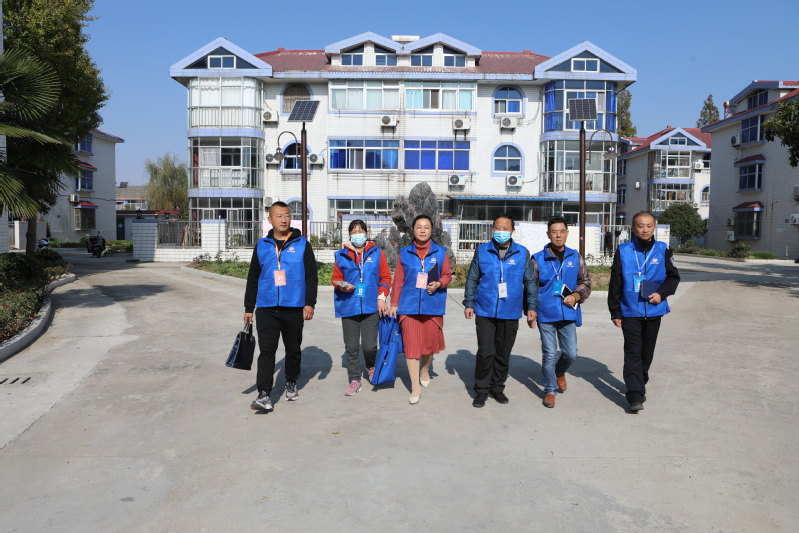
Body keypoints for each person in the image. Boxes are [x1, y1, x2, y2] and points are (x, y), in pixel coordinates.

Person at [243, 202, 318, 412]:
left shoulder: (302, 244)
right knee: (267, 350)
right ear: (270, 220)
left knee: (293, 349)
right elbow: (253, 278)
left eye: (286, 215)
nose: (283, 219)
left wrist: (309, 303)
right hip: (266, 307)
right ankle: (264, 393)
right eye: (279, 215)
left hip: (293, 306)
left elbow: (311, 276)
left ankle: (291, 381)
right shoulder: (262, 245)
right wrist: (249, 307)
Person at [608, 211, 680, 413]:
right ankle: (635, 394)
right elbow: (616, 282)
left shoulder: (663, 249)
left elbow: (673, 278)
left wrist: (661, 294)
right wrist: (615, 311)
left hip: (654, 309)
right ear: (633, 228)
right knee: (633, 352)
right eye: (640, 226)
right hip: (630, 310)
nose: (645, 230)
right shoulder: (623, 250)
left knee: (646, 354)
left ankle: (640, 381)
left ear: (654, 227)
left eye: (649, 226)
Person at [463, 214, 538, 408]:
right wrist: (469, 302)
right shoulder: (482, 251)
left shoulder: (522, 253)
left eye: (505, 228)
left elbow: (530, 281)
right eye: (498, 228)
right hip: (485, 309)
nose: (501, 231)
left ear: (512, 230)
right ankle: (481, 390)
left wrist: (531, 307)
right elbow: (473, 278)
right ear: (493, 229)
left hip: (510, 310)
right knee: (486, 352)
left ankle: (497, 387)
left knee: (503, 352)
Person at [530, 217, 592, 409]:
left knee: (571, 353)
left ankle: (559, 372)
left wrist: (576, 295)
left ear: (567, 233)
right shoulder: (537, 259)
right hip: (545, 313)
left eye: (562, 231)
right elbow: (530, 286)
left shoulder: (575, 257)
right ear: (548, 234)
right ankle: (550, 390)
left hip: (568, 312)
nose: (558, 235)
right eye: (554, 231)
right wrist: (531, 310)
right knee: (549, 353)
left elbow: (586, 282)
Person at [389, 215, 452, 405]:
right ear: (413, 230)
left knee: (429, 345)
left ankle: (425, 370)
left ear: (432, 230)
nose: (422, 230)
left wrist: (439, 283)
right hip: (408, 307)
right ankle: (415, 388)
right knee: (412, 347)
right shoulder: (404, 253)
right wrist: (394, 304)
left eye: (426, 227)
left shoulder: (441, 253)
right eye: (419, 227)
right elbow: (398, 281)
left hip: (432, 306)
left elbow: (447, 275)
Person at [332, 220, 392, 396]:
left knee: (369, 346)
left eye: (360, 230)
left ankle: (371, 366)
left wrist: (381, 298)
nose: (357, 234)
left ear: (366, 233)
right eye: (354, 231)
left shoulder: (377, 253)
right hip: (348, 306)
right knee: (351, 347)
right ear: (349, 234)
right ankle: (354, 379)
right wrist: (342, 286)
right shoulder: (341, 255)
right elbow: (336, 278)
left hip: (371, 306)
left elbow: (385, 277)